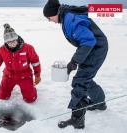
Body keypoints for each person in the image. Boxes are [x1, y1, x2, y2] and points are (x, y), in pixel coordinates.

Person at [43, 0, 108, 129]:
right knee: (86, 78)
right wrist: (76, 60)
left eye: (49, 18)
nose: (49, 21)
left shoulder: (69, 20)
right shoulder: (66, 15)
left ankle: (77, 120)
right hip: (94, 48)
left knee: (80, 81)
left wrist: (74, 61)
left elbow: (88, 40)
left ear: (54, 13)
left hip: (95, 49)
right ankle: (99, 103)